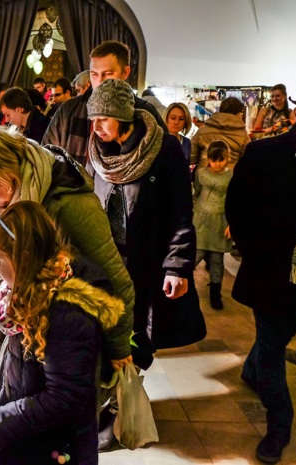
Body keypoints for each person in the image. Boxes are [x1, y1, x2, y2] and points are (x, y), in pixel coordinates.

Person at [0, 122, 135, 380]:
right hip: (40, 344)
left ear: (4, 173)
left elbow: (117, 282)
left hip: (72, 350)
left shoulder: (70, 205)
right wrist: (6, 344)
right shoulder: (13, 201)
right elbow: (18, 277)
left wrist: (118, 350)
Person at [0, 201, 125, 465]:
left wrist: (2, 423)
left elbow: (65, 397)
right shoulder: (31, 291)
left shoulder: (65, 314)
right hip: (32, 432)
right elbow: (30, 351)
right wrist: (2, 352)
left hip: (51, 447)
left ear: (23, 258)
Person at [225, 75, 296, 463]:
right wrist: (256, 252)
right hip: (276, 272)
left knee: (276, 337)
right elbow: (238, 206)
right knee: (275, 347)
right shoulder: (267, 153)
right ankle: (280, 425)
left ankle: (251, 369)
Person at [87, 78, 205, 359]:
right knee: (109, 338)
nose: (96, 127)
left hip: (146, 263)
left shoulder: (164, 148)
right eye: (93, 120)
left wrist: (177, 267)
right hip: (108, 263)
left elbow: (181, 213)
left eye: (103, 119)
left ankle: (133, 378)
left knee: (139, 339)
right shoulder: (97, 153)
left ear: (122, 116)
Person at [43, 40, 167, 168]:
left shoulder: (145, 113)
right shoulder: (68, 110)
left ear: (125, 72)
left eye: (108, 74)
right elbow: (46, 158)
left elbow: (165, 161)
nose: (100, 81)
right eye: (94, 74)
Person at [192, 140, 233, 310]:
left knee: (217, 259)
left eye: (221, 159)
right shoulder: (201, 173)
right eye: (213, 159)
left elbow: (233, 201)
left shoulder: (231, 176)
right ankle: (183, 286)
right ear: (208, 158)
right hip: (201, 219)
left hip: (220, 220)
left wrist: (231, 223)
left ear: (227, 158)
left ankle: (215, 293)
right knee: (195, 254)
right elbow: (196, 192)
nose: (217, 164)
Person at [190, 97, 250, 171]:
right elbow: (247, 161)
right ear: (239, 114)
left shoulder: (203, 130)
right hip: (231, 176)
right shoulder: (243, 134)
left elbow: (192, 157)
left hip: (204, 175)